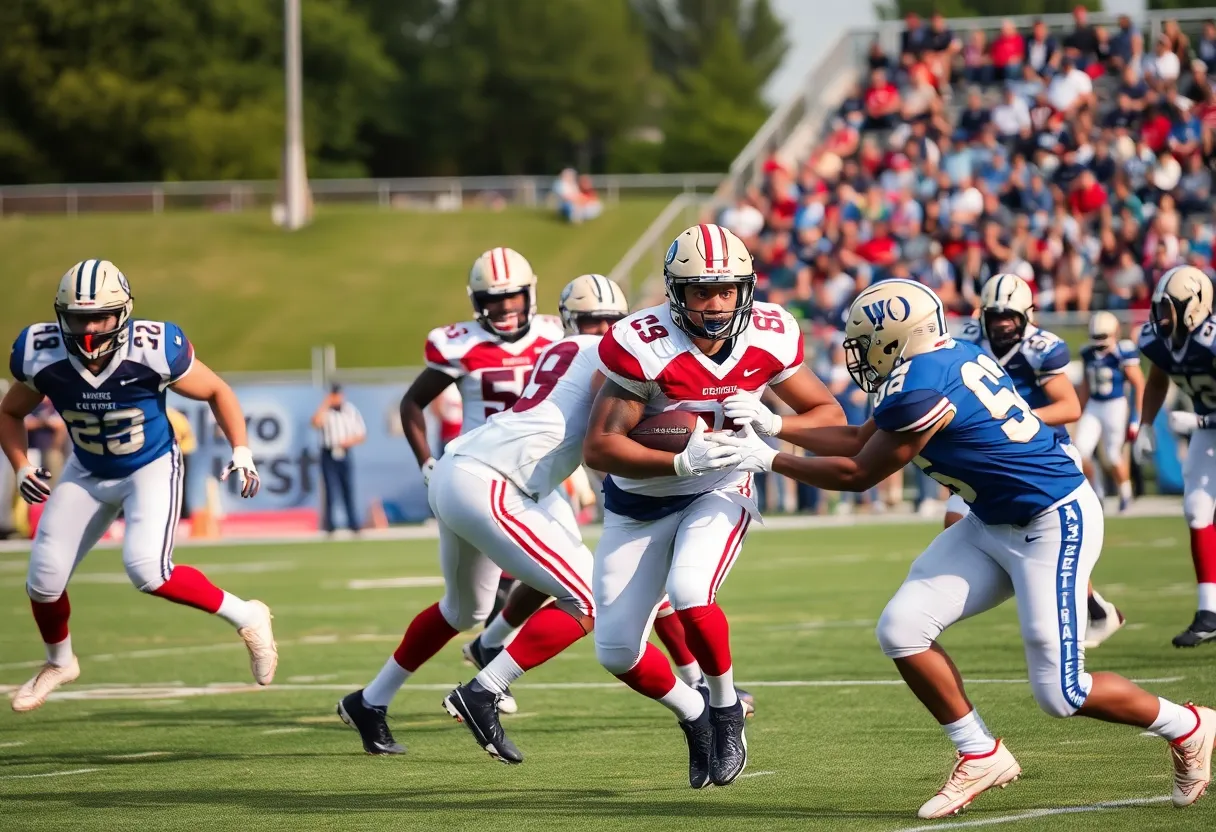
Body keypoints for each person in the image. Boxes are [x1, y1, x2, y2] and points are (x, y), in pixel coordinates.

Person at [713, 278, 1215, 818]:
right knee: (902, 629)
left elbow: (860, 472)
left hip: (1051, 519)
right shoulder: (944, 357)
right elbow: (862, 438)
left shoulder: (922, 388)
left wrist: (767, 457)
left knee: (1062, 694)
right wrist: (774, 424)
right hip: (992, 519)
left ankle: (1188, 725)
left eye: (863, 341)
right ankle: (979, 751)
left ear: (895, 336)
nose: (857, 354)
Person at [583, 224, 845, 788]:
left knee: (690, 591)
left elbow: (830, 414)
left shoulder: (770, 333)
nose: (717, 303)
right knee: (616, 650)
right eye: (702, 291)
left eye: (727, 290)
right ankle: (694, 711)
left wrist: (775, 424)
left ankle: (725, 707)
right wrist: (678, 461)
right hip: (640, 499)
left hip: (720, 487)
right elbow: (601, 447)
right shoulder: (644, 342)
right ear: (677, 292)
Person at [337, 274, 629, 760]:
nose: (601, 330)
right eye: (594, 321)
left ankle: (370, 701)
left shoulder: (556, 345)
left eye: (608, 321)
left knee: (464, 609)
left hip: (475, 466)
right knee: (589, 597)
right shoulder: (599, 355)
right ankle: (484, 688)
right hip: (497, 478)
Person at [0, 259, 275, 712]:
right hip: (86, 469)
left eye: (100, 316)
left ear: (124, 313)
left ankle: (248, 615)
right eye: (78, 317)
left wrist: (241, 450)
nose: (89, 329)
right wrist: (21, 465)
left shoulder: (153, 347)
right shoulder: (39, 351)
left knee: (147, 570)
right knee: (43, 582)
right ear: (59, 315)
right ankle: (60, 662)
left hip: (149, 465)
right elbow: (11, 413)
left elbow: (217, 391)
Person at [1136, 266, 1216, 647]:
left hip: (1205, 420)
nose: (1160, 317)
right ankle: (1209, 612)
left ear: (1193, 307)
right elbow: (1157, 377)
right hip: (1208, 426)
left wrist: (1201, 417)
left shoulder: (1213, 340)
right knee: (1197, 508)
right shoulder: (1164, 339)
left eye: (1168, 308)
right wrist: (1146, 425)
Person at [1075, 312, 1144, 516]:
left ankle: (1125, 492)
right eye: (1096, 337)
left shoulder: (1123, 352)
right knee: (1080, 451)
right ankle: (1098, 492)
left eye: (1103, 336)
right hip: (1094, 405)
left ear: (1114, 333)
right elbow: (1085, 386)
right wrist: (1078, 410)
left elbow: (1139, 384)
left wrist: (1135, 418)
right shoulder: (1087, 353)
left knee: (1113, 455)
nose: (1100, 342)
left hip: (1116, 404)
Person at [311, 384, 366, 534]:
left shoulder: (350, 410)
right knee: (329, 489)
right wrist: (325, 403)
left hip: (345, 452)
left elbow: (361, 434)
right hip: (328, 453)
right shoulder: (325, 410)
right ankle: (330, 525)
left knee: (348, 487)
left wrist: (348, 441)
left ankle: (353, 523)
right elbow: (315, 422)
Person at [165, 406, 196, 519]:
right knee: (180, 484)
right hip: (182, 452)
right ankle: (182, 513)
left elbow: (179, 435)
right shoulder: (176, 415)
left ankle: (181, 513)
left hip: (180, 452)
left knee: (177, 484)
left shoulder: (171, 415)